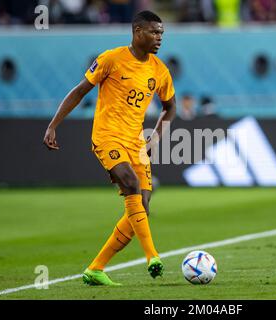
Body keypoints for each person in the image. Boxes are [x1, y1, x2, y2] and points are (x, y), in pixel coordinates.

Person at [43, 10, 176, 286]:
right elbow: (80, 90)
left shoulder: (159, 70)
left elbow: (170, 108)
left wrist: (155, 139)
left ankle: (95, 268)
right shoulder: (111, 59)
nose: (159, 38)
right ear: (137, 31)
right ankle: (152, 256)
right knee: (131, 185)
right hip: (107, 136)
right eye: (154, 32)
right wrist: (53, 124)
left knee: (143, 207)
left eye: (161, 33)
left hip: (136, 142)